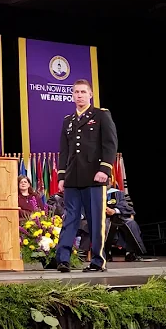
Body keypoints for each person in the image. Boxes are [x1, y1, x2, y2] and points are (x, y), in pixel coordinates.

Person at [54, 79, 117, 273]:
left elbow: (110, 144)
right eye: (76, 92)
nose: (79, 95)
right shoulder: (68, 120)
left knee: (95, 219)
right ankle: (63, 259)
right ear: (72, 95)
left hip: (94, 176)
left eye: (83, 92)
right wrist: (62, 176)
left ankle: (98, 261)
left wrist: (104, 170)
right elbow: (64, 151)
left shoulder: (101, 115)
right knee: (70, 218)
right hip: (73, 177)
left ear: (90, 94)